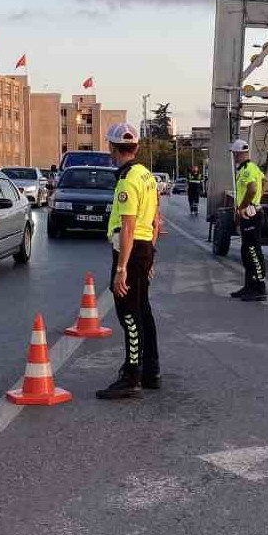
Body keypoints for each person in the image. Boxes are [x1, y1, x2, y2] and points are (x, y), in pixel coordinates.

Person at [96, 123, 162, 400]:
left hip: (131, 252)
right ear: (135, 147)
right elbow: (157, 220)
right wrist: (151, 256)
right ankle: (151, 371)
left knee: (128, 314)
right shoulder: (146, 175)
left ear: (112, 148)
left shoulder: (127, 181)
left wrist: (121, 269)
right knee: (143, 311)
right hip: (144, 250)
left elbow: (128, 227)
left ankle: (132, 376)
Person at [229, 139, 267, 302]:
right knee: (246, 251)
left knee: (253, 251)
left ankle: (260, 288)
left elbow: (252, 188)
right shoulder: (250, 168)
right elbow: (265, 182)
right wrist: (258, 198)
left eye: (235, 154)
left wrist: (245, 206)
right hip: (249, 213)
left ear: (238, 153)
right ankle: (249, 286)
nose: (234, 157)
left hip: (251, 214)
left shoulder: (248, 169)